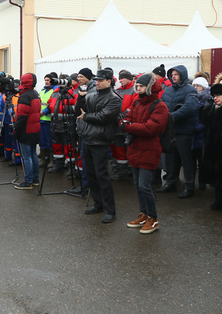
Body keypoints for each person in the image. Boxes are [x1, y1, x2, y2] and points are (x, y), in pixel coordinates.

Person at [122, 73, 168, 234]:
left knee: (144, 185)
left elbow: (150, 128)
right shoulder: (136, 102)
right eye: (137, 86)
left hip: (149, 150)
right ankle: (144, 214)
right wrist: (126, 123)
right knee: (137, 184)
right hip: (135, 148)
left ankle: (153, 218)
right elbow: (127, 117)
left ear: (149, 87)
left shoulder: (160, 106)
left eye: (141, 86)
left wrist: (128, 126)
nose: (138, 89)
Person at [77, 69, 122, 223]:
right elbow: (79, 111)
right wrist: (80, 98)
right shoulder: (91, 95)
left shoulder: (114, 98)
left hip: (101, 140)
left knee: (102, 175)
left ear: (109, 81)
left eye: (100, 80)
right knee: (91, 174)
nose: (97, 83)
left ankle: (110, 210)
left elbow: (103, 117)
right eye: (96, 80)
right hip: (88, 138)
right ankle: (98, 203)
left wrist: (86, 117)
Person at [157, 65, 199, 197]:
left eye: (176, 74)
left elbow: (189, 108)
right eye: (172, 74)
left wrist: (170, 117)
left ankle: (189, 186)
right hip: (170, 131)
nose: (173, 77)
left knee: (187, 160)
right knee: (171, 159)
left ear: (182, 75)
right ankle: (171, 182)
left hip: (184, 131)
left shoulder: (190, 90)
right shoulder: (168, 90)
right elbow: (162, 105)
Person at [198, 83, 222, 213]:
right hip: (213, 147)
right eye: (214, 95)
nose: (215, 98)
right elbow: (204, 122)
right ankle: (219, 200)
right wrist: (204, 110)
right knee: (218, 176)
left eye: (218, 95)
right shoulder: (213, 108)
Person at [13, 73, 41, 190]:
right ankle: (35, 179)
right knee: (33, 154)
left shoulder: (24, 96)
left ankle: (28, 181)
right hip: (35, 129)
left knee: (26, 157)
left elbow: (21, 116)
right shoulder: (36, 94)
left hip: (26, 130)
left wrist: (16, 130)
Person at [39, 73, 59, 168]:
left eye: (48, 80)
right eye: (45, 80)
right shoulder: (42, 91)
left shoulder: (54, 91)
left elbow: (52, 105)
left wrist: (43, 112)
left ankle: (51, 160)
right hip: (41, 120)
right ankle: (43, 159)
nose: (46, 82)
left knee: (50, 141)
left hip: (49, 120)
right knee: (42, 140)